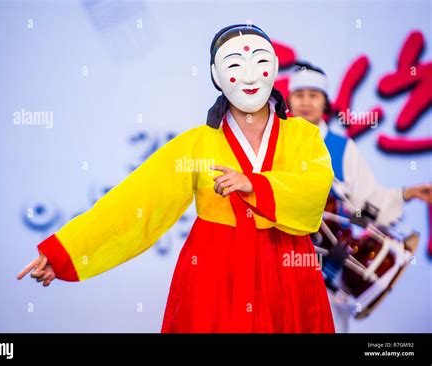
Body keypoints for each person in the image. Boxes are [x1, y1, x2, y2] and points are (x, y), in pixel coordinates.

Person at [18, 25, 335, 333]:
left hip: (286, 270)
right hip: (215, 272)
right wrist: (65, 252)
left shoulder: (302, 135)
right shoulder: (196, 144)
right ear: (215, 74)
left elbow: (315, 190)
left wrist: (256, 184)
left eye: (261, 62)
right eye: (236, 64)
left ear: (275, 67)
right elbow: (136, 202)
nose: (251, 75)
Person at [287, 62, 432, 332]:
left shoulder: (342, 148)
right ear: (289, 100)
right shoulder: (276, 145)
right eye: (300, 94)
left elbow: (368, 200)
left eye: (314, 95)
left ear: (325, 102)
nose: (306, 102)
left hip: (331, 266)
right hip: (282, 265)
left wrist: (407, 193)